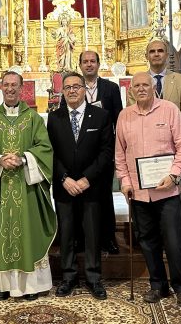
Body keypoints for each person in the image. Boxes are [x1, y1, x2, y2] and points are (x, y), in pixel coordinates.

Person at [0, 71, 56, 301]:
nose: (10, 89)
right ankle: (2, 284)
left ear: (22, 89)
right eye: (6, 85)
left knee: (27, 233)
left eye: (14, 85)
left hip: (26, 187)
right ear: (1, 88)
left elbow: (45, 148)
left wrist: (24, 159)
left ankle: (30, 286)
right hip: (0, 186)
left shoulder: (34, 119)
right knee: (1, 233)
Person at [115, 72, 181, 309]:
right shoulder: (124, 116)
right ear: (131, 91)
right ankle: (157, 284)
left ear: (153, 87)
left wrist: (174, 175)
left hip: (167, 191)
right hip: (138, 192)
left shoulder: (169, 110)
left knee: (172, 241)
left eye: (145, 85)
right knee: (147, 241)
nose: (141, 89)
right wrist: (125, 182)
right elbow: (120, 154)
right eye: (136, 86)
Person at [48, 72, 114, 300]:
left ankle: (94, 278)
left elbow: (106, 152)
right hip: (64, 187)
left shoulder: (101, 116)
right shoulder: (54, 118)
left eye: (77, 86)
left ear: (85, 89)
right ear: (62, 92)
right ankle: (68, 277)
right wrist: (64, 178)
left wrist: (87, 178)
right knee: (66, 233)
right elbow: (50, 153)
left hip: (91, 187)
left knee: (92, 234)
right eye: (68, 87)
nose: (72, 91)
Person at [61, 50, 122, 254]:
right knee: (80, 201)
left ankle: (108, 237)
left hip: (101, 152)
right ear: (80, 65)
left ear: (98, 64)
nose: (89, 65)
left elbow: (118, 119)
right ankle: (79, 238)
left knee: (104, 197)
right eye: (85, 62)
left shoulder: (111, 88)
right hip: (78, 153)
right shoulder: (71, 89)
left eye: (92, 61)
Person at [128, 39, 181, 113]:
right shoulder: (137, 82)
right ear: (146, 56)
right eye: (152, 51)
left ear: (167, 55)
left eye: (160, 51)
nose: (156, 54)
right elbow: (132, 111)